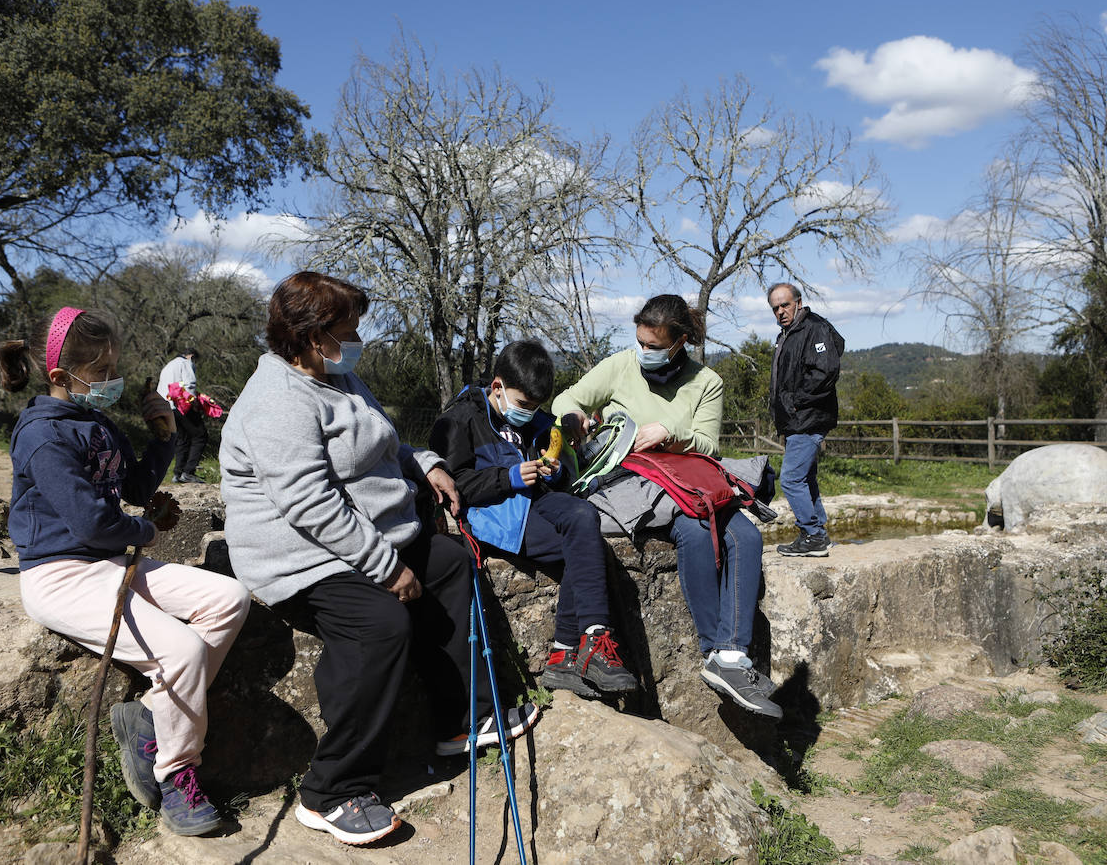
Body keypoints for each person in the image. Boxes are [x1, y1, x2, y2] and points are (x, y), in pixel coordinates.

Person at [219, 271, 539, 847]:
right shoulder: (275, 401)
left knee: (448, 564)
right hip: (302, 553)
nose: (357, 338)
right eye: (348, 329)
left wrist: (429, 463)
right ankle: (331, 789)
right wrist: (386, 568)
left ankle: (461, 720)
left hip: (372, 531)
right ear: (313, 335)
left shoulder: (339, 377)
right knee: (378, 625)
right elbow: (310, 504)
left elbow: (387, 438)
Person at [0, 307, 251, 837]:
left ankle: (151, 719)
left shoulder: (97, 421)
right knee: (180, 650)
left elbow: (132, 491)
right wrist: (145, 533)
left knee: (230, 598)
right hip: (61, 574)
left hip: (111, 563)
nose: (113, 381)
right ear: (62, 378)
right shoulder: (42, 435)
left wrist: (161, 437)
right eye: (104, 372)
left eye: (116, 368)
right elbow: (93, 521)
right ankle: (175, 773)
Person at [552, 294, 783, 719]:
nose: (644, 352)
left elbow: (709, 444)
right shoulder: (620, 366)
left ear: (679, 342)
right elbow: (566, 400)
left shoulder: (706, 382)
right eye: (640, 341)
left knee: (746, 535)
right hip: (636, 482)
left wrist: (671, 432)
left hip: (686, 478)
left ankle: (730, 658)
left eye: (654, 346)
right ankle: (717, 650)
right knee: (695, 530)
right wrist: (575, 420)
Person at [429, 339, 638, 699]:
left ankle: (581, 645)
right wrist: (507, 476)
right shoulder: (458, 420)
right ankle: (572, 650)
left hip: (536, 503)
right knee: (584, 546)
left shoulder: (539, 421)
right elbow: (453, 484)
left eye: (537, 405)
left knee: (583, 516)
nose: (530, 412)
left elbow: (560, 473)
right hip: (493, 514)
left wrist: (555, 471)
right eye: (524, 403)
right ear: (497, 387)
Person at [767, 282, 844, 558]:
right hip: (796, 420)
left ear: (798, 302)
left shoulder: (814, 327)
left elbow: (826, 370)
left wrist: (796, 402)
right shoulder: (787, 333)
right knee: (806, 477)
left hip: (807, 418)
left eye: (785, 304)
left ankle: (811, 535)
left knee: (789, 479)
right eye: (775, 307)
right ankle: (819, 533)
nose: (780, 311)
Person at [159, 347, 206, 483]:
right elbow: (190, 384)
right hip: (181, 405)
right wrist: (194, 402)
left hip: (167, 407)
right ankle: (189, 472)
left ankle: (177, 473)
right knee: (200, 435)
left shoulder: (169, 365)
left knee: (182, 439)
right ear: (191, 356)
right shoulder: (185, 363)